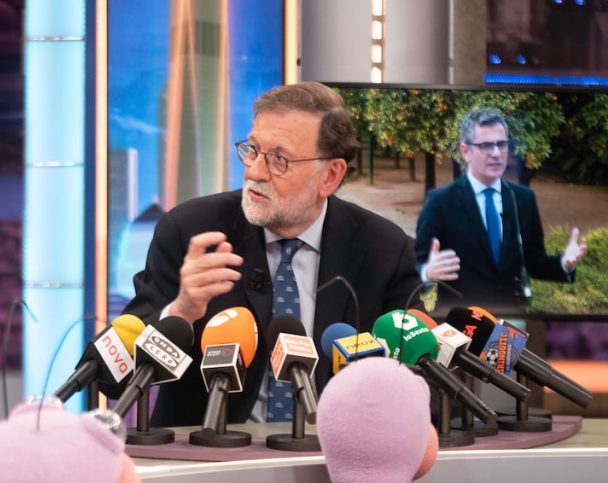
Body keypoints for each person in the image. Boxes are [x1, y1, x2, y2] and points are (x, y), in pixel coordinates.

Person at [123, 82, 419, 427]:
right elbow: (120, 377)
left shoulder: (384, 250)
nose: (254, 172)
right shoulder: (190, 231)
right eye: (253, 150)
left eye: (280, 159)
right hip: (208, 447)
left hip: (332, 449)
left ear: (330, 175)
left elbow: (415, 381)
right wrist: (181, 311)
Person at [415, 108, 586, 313]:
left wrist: (565, 264)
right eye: (486, 146)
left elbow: (534, 262)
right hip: (460, 321)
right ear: (465, 151)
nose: (496, 153)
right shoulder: (440, 201)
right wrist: (427, 273)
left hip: (510, 321)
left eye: (502, 144)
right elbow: (415, 265)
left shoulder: (523, 199)